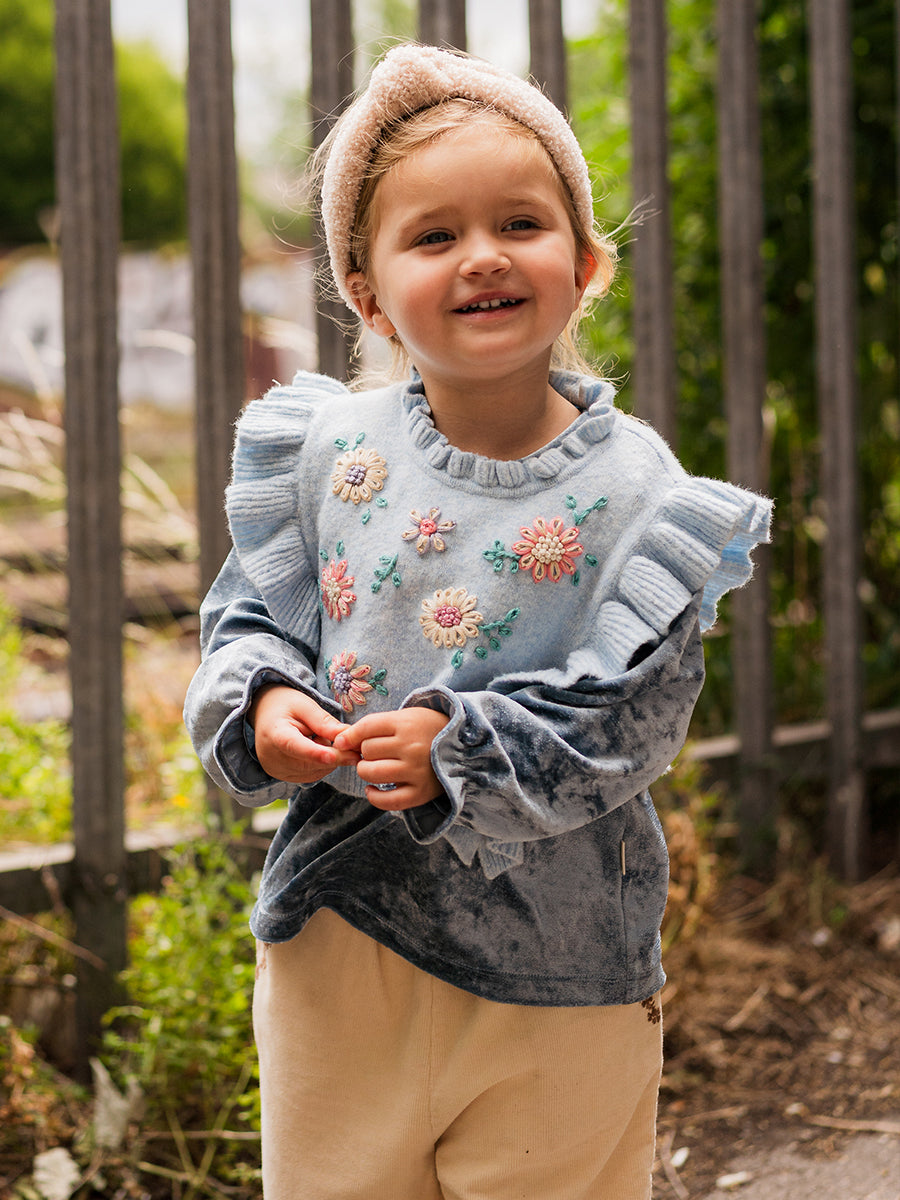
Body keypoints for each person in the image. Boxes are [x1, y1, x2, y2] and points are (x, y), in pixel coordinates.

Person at [184, 42, 772, 1200]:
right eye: (435, 236)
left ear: (587, 264)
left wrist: (463, 748)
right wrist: (263, 701)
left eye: (520, 223)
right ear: (367, 294)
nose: (484, 256)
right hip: (341, 938)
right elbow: (248, 616)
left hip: (560, 969)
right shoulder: (330, 455)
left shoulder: (636, 494)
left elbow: (633, 717)